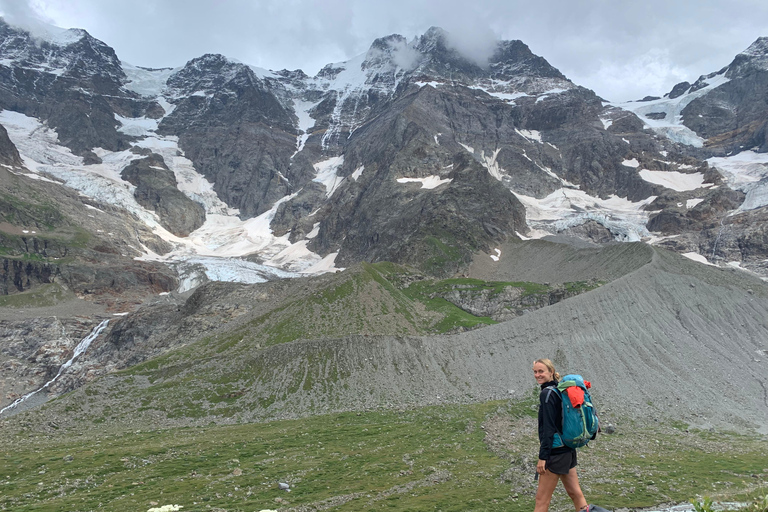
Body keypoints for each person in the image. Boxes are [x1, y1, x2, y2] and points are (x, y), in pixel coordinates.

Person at [533, 358, 589, 512]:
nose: (537, 375)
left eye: (541, 371)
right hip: (568, 449)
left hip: (556, 452)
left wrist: (543, 457)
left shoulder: (547, 393)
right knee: (576, 494)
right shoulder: (560, 390)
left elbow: (548, 428)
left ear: (551, 372)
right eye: (535, 372)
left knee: (541, 500)